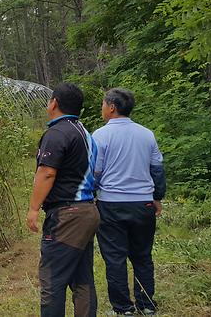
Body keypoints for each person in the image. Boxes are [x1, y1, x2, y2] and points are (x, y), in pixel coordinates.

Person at [26, 83, 99, 317]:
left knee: (52, 280)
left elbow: (47, 172)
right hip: (88, 210)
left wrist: (33, 209)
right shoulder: (85, 133)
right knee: (82, 278)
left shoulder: (57, 133)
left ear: (54, 103)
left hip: (67, 215)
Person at [92, 88, 166, 316]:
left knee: (115, 258)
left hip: (111, 204)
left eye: (104, 104)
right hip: (143, 203)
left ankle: (123, 308)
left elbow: (95, 172)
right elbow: (157, 169)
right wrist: (157, 197)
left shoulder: (100, 136)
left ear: (112, 107)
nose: (102, 108)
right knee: (143, 255)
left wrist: (92, 195)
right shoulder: (147, 134)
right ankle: (146, 304)